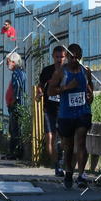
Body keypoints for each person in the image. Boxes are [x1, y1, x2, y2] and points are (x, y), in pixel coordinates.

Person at [48, 43, 93, 189]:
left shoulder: (85, 71)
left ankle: (81, 175)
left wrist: (90, 95)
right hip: (66, 114)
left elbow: (89, 87)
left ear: (80, 57)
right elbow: (50, 91)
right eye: (71, 57)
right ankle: (68, 171)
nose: (74, 60)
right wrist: (67, 87)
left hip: (83, 112)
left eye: (77, 57)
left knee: (81, 141)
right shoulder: (61, 72)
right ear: (67, 57)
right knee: (68, 146)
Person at [36, 45, 66, 177]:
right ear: (53, 57)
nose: (59, 59)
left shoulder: (68, 71)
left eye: (62, 57)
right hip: (49, 109)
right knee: (50, 137)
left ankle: (62, 158)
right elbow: (40, 86)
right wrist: (39, 93)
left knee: (64, 139)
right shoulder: (47, 71)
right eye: (57, 57)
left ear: (66, 57)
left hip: (65, 109)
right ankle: (57, 166)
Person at [2, 52, 27, 160]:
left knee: (14, 129)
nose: (6, 64)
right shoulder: (19, 72)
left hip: (16, 106)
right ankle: (14, 152)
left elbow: (18, 89)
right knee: (14, 129)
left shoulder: (16, 73)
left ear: (13, 62)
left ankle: (14, 153)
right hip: (16, 105)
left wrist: (13, 102)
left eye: (8, 62)